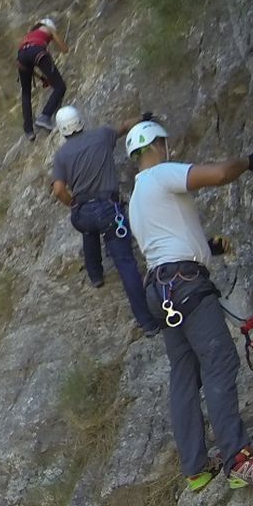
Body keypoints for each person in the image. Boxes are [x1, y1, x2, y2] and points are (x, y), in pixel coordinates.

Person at [126, 118, 253, 490]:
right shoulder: (162, 174)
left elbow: (164, 239)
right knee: (220, 361)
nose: (168, 149)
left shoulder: (136, 198)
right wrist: (247, 162)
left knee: (184, 375)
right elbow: (216, 175)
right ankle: (238, 459)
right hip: (185, 286)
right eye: (163, 144)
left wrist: (207, 247)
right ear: (154, 147)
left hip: (162, 290)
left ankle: (196, 467)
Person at [48, 105, 158, 334]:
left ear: (62, 131)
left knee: (89, 230)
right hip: (109, 210)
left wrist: (73, 203)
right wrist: (144, 116)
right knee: (125, 263)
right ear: (81, 122)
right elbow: (126, 125)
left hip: (83, 214)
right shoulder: (102, 135)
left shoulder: (61, 156)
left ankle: (95, 275)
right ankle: (147, 323)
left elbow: (58, 190)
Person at [16, 16, 69, 136]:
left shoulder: (29, 36)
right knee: (60, 86)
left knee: (26, 93)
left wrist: (42, 78)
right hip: (37, 52)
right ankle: (45, 116)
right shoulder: (49, 29)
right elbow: (64, 49)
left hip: (21, 56)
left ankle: (29, 130)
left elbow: (29, 60)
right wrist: (60, 41)